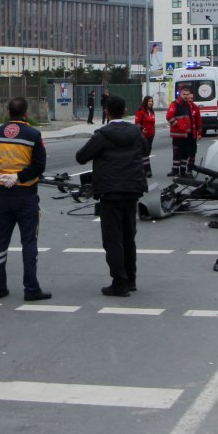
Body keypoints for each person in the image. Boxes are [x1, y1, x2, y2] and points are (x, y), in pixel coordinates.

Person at [0, 97, 51, 301]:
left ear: (7, 113)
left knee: (0, 242)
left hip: (2, 196)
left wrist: (2, 176)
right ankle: (31, 289)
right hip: (26, 196)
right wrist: (17, 176)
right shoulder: (33, 134)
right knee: (29, 242)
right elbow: (39, 166)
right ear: (26, 113)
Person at [76, 95, 149, 297]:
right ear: (125, 111)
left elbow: (81, 157)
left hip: (110, 191)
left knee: (112, 239)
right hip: (132, 190)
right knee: (129, 236)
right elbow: (146, 149)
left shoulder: (103, 135)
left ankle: (119, 282)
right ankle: (131, 278)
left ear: (106, 112)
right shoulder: (135, 132)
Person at [166, 87, 202, 177]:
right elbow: (169, 116)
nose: (186, 96)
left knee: (185, 153)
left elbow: (194, 119)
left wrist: (196, 131)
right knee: (177, 153)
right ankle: (176, 170)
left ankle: (182, 171)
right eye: (184, 94)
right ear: (180, 95)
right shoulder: (175, 104)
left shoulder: (188, 105)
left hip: (187, 135)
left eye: (187, 94)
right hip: (178, 134)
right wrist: (178, 125)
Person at [134, 95, 157, 176]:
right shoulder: (141, 111)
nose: (151, 103)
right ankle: (148, 171)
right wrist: (141, 129)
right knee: (145, 153)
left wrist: (153, 131)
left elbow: (153, 123)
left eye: (151, 101)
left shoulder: (151, 111)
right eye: (149, 101)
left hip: (151, 134)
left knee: (147, 152)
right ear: (145, 102)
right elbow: (137, 123)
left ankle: (140, 168)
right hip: (143, 135)